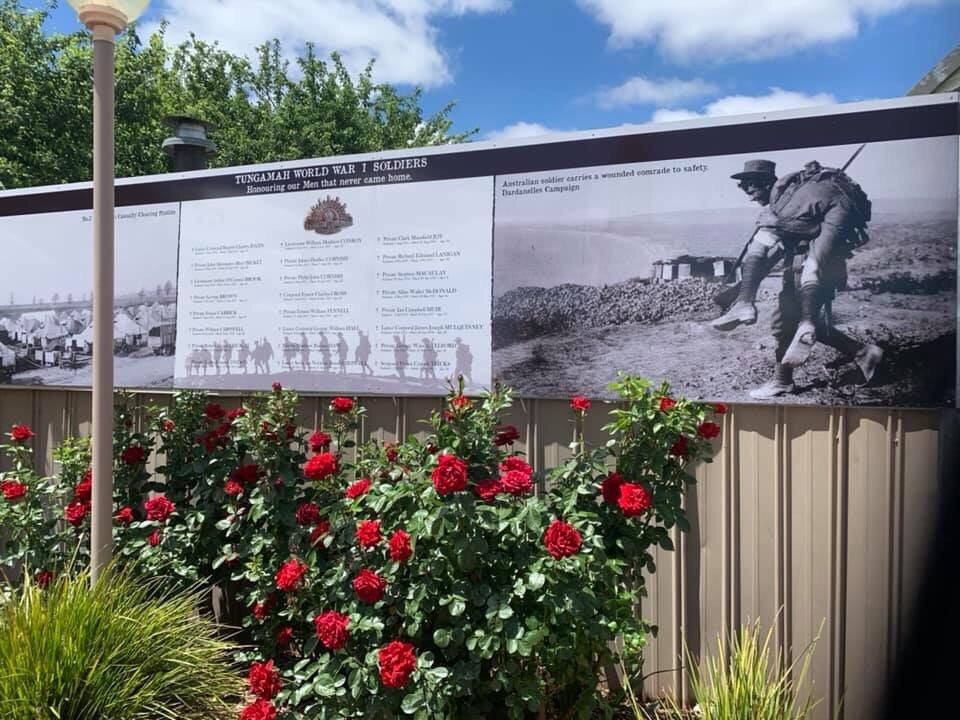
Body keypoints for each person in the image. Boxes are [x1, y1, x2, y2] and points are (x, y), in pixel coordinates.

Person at [712, 158, 883, 399]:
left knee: (785, 324)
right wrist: (743, 289)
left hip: (818, 270)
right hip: (798, 269)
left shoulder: (794, 204)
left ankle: (782, 381)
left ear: (764, 183)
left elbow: (814, 234)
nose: (749, 195)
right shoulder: (782, 204)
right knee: (805, 324)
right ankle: (863, 352)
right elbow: (779, 250)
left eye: (751, 188)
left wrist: (778, 225)